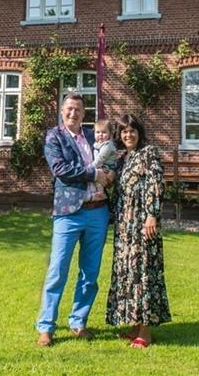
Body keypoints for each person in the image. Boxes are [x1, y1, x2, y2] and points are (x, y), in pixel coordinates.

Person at [36, 93, 115, 347]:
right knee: (57, 270)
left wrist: (111, 174)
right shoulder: (54, 136)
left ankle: (78, 322)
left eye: (78, 109)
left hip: (98, 212)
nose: (74, 113)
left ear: (84, 113)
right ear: (62, 111)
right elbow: (61, 170)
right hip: (68, 213)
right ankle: (46, 327)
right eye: (69, 109)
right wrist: (95, 173)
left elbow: (111, 159)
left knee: (89, 273)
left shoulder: (94, 136)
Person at [106, 113, 171, 348]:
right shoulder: (123, 159)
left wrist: (152, 214)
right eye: (124, 131)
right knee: (128, 275)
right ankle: (134, 324)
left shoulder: (148, 153)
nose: (128, 135)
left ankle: (146, 331)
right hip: (125, 226)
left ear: (139, 133)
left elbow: (155, 182)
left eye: (132, 131)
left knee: (143, 274)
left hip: (143, 223)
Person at [92, 118, 118, 201]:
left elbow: (100, 158)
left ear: (110, 135)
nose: (100, 134)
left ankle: (101, 194)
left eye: (104, 132)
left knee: (99, 179)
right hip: (101, 165)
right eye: (98, 132)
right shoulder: (97, 144)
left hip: (107, 167)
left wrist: (90, 168)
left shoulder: (108, 145)